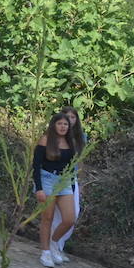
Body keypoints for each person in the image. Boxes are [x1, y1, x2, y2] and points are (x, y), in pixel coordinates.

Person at [34, 112, 78, 268]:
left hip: (64, 181)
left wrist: (72, 186)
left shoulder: (70, 142)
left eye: (65, 124)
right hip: (47, 180)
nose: (63, 126)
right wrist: (38, 188)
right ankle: (45, 253)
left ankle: (53, 243)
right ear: (53, 125)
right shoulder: (45, 140)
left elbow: (72, 165)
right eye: (59, 123)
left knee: (69, 219)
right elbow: (36, 166)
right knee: (48, 218)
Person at [52, 105, 87, 253]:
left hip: (72, 180)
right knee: (58, 216)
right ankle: (53, 247)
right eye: (68, 117)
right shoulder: (55, 135)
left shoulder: (80, 137)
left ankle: (59, 245)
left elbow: (80, 160)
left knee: (74, 214)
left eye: (73, 117)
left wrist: (81, 181)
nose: (70, 120)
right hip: (57, 178)